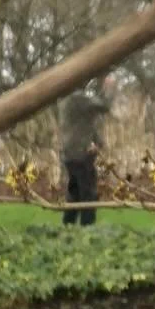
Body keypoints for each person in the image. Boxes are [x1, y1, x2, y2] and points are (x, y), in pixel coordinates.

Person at [59, 78, 111, 226]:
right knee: (88, 192)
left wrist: (98, 142)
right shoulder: (78, 99)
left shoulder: (69, 101)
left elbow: (87, 125)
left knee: (75, 191)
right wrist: (108, 89)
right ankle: (88, 228)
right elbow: (104, 106)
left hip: (70, 152)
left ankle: (68, 224)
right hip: (81, 153)